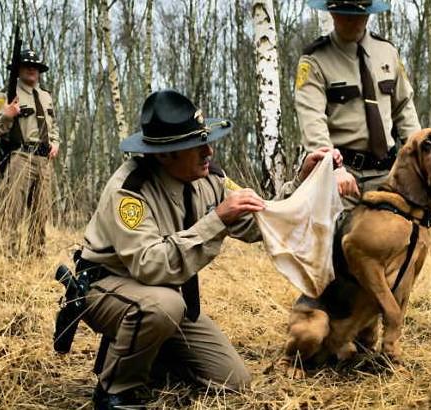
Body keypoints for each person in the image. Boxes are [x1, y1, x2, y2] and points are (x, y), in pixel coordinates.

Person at [77, 89, 353, 409]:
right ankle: (115, 390)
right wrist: (217, 219)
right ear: (165, 154)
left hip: (167, 299)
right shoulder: (130, 191)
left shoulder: (210, 178)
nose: (209, 150)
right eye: (197, 146)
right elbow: (150, 266)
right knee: (161, 306)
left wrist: (305, 181)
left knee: (232, 382)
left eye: (207, 139)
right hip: (108, 289)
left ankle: (154, 353)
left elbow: (262, 221)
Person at [295, 0, 421, 209]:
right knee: (337, 238)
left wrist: (420, 156)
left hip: (386, 174)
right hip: (342, 174)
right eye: (344, 13)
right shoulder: (315, 60)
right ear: (332, 13)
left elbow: (404, 110)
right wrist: (333, 169)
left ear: (369, 14)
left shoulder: (387, 52)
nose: (351, 20)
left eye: (358, 14)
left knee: (397, 236)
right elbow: (312, 121)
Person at [0, 49, 60, 257]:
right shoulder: (3, 95)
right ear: (18, 69)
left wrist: (55, 142)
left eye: (36, 67)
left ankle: (36, 255)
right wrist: (7, 115)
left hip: (44, 159)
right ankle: (9, 255)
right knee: (13, 209)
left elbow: (53, 125)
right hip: (20, 157)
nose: (32, 70)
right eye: (27, 65)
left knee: (41, 212)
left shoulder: (46, 96)